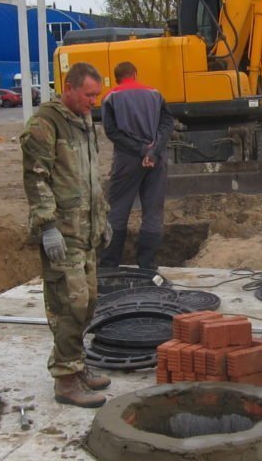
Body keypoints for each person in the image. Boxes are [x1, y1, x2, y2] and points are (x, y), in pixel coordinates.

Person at [20, 62, 113, 408]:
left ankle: (77, 365)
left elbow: (90, 177)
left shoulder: (83, 121)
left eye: (96, 96)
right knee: (69, 305)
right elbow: (36, 178)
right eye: (89, 95)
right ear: (70, 88)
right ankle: (65, 381)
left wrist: (102, 219)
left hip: (86, 231)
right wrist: (47, 227)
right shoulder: (46, 123)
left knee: (87, 302)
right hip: (63, 234)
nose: (94, 102)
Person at [99, 62, 174, 269]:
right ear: (135, 74)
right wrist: (153, 151)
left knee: (117, 211)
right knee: (153, 212)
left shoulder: (110, 97)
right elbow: (168, 124)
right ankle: (147, 266)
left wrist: (141, 150)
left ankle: (109, 265)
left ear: (116, 78)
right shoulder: (155, 94)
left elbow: (112, 132)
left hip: (126, 160)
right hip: (156, 159)